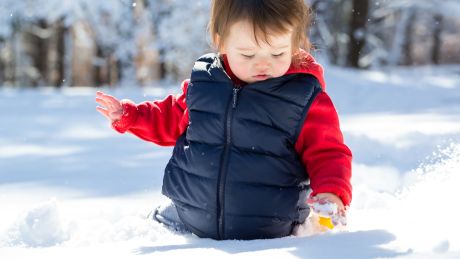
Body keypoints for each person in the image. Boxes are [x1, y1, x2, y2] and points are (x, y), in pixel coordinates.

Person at [96, 0, 352, 240]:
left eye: (277, 53)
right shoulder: (206, 85)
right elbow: (169, 117)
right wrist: (131, 116)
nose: (263, 64)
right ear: (222, 42)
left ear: (295, 42)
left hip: (269, 232)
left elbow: (328, 152)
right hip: (186, 219)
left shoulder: (304, 99)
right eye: (248, 55)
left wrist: (331, 192)